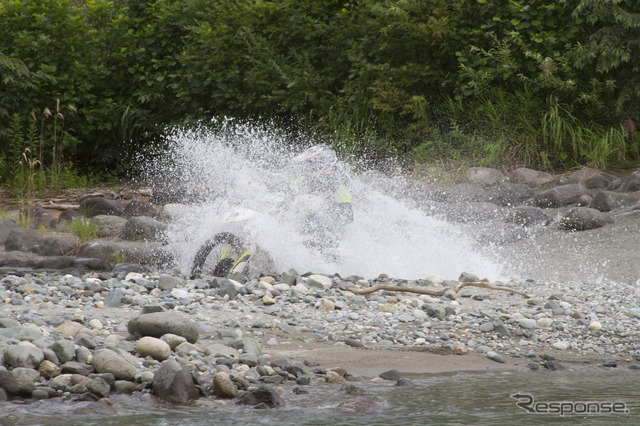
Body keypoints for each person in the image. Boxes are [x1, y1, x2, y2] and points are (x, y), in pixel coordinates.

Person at [289, 144, 353, 260]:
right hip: (298, 234)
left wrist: (322, 205)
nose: (309, 167)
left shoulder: (340, 189)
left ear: (324, 166)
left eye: (312, 164)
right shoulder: (302, 181)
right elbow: (283, 189)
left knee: (316, 218)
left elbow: (348, 216)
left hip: (328, 243)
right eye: (309, 164)